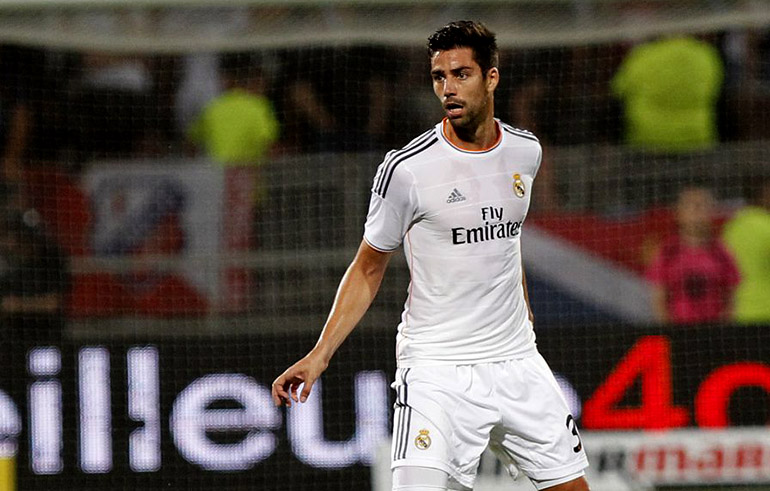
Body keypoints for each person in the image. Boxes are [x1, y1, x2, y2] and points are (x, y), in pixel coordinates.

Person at [272, 21, 590, 491]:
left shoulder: (527, 151)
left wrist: (523, 315)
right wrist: (320, 354)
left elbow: (507, 243)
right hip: (437, 371)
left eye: (461, 74)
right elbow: (367, 268)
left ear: (492, 77)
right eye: (439, 76)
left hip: (517, 362)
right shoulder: (407, 169)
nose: (448, 88)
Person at [645, 185, 740, 325]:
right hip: (678, 330)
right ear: (679, 213)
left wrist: (723, 330)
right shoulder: (668, 252)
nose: (696, 211)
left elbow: (731, 299)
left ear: (711, 212)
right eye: (690, 205)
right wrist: (670, 330)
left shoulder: (721, 251)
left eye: (701, 205)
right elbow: (659, 299)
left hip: (714, 331)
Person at [611, 35, 724, 152]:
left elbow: (619, 89)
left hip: (647, 139)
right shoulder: (706, 55)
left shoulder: (643, 55)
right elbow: (716, 88)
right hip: (697, 138)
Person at [722, 175, 770, 323]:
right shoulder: (766, 226)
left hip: (738, 312)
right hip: (765, 311)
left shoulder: (732, 226)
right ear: (765, 193)